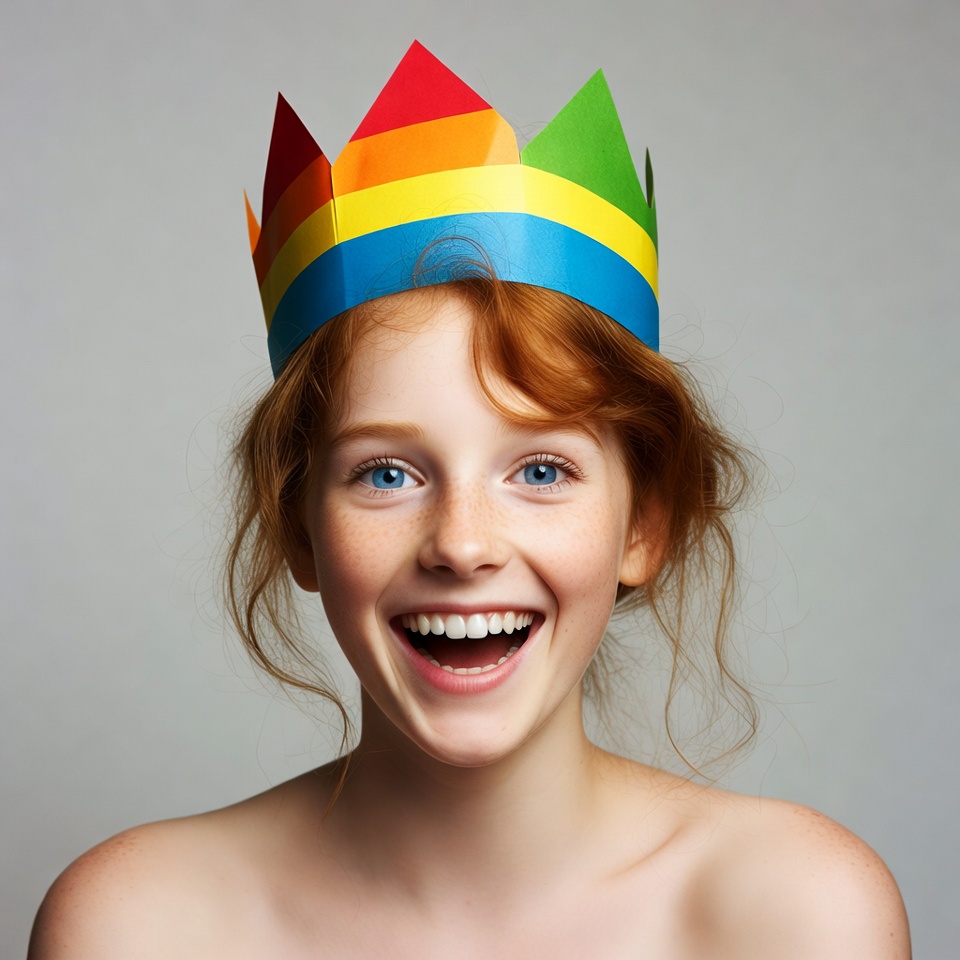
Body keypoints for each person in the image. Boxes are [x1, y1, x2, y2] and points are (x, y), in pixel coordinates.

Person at [29, 41, 910, 959]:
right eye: (386, 474)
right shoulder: (137, 926)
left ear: (643, 525)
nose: (461, 544)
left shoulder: (800, 916)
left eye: (539, 471)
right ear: (297, 523)